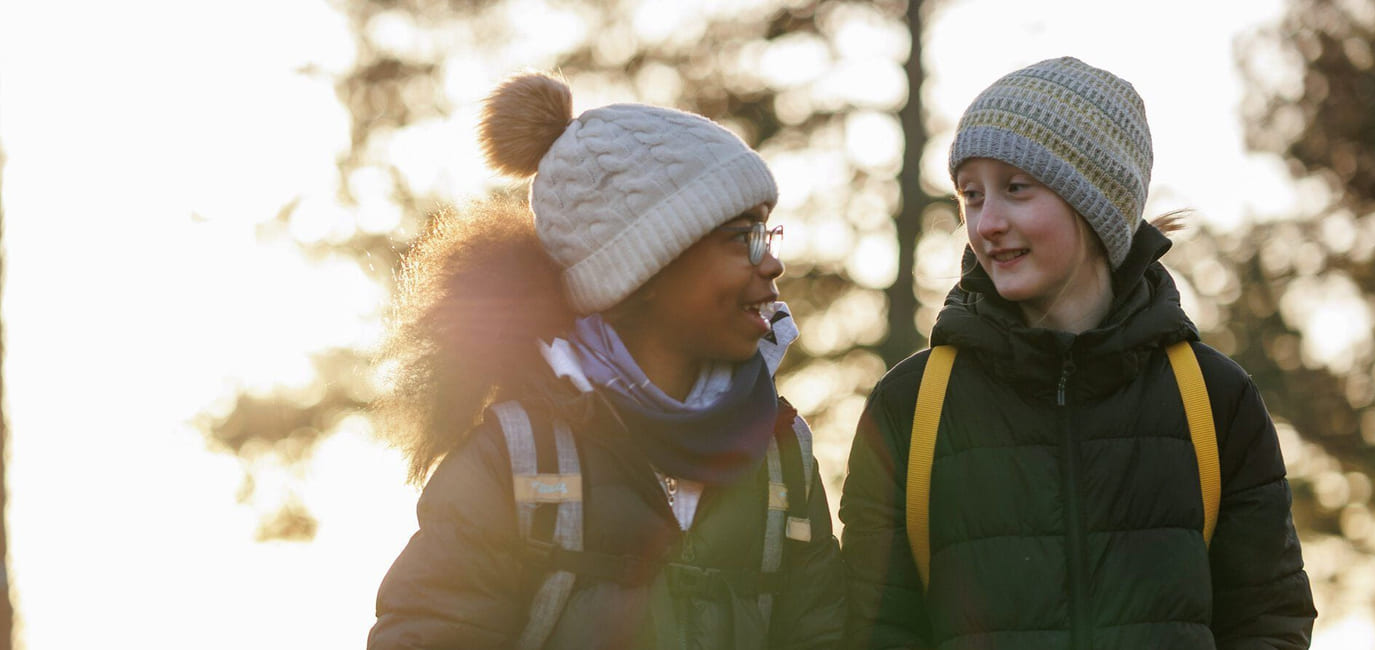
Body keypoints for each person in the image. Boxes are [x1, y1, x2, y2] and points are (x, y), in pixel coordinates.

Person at [839, 57, 1316, 649]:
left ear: (1096, 202)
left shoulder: (1216, 399)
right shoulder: (910, 407)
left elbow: (1270, 619)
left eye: (1016, 189)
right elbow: (872, 630)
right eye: (971, 195)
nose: (987, 222)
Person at [367, 73, 844, 650]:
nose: (771, 264)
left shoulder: (782, 454)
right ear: (643, 269)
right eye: (742, 237)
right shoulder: (514, 462)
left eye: (769, 234)